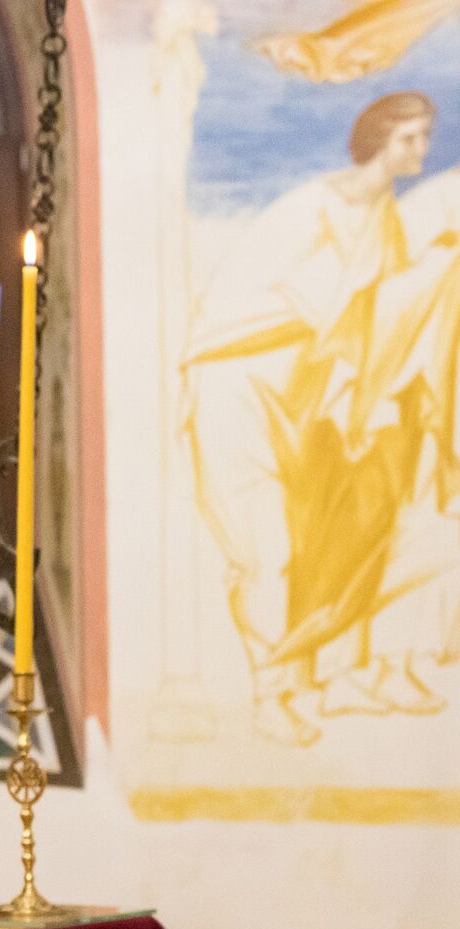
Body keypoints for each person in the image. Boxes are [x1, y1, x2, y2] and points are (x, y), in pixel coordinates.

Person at [184, 91, 438, 743]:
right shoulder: (312, 211)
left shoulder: (381, 215)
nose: (421, 150)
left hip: (300, 394)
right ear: (378, 141)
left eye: (424, 136)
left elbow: (373, 321)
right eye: (410, 138)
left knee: (330, 536)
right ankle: (270, 695)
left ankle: (326, 678)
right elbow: (288, 304)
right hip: (238, 388)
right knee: (264, 551)